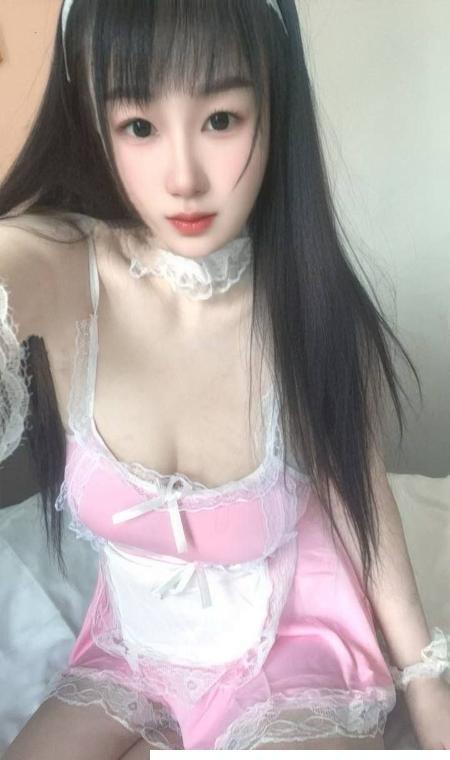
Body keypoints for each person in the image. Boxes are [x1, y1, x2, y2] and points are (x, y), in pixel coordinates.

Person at [0, 0, 449, 755]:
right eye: (138, 126)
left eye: (220, 119)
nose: (183, 178)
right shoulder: (70, 270)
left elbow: (362, 499)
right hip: (131, 651)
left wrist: (425, 679)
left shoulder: (308, 311)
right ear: (93, 123)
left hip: (289, 656)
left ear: (274, 112)